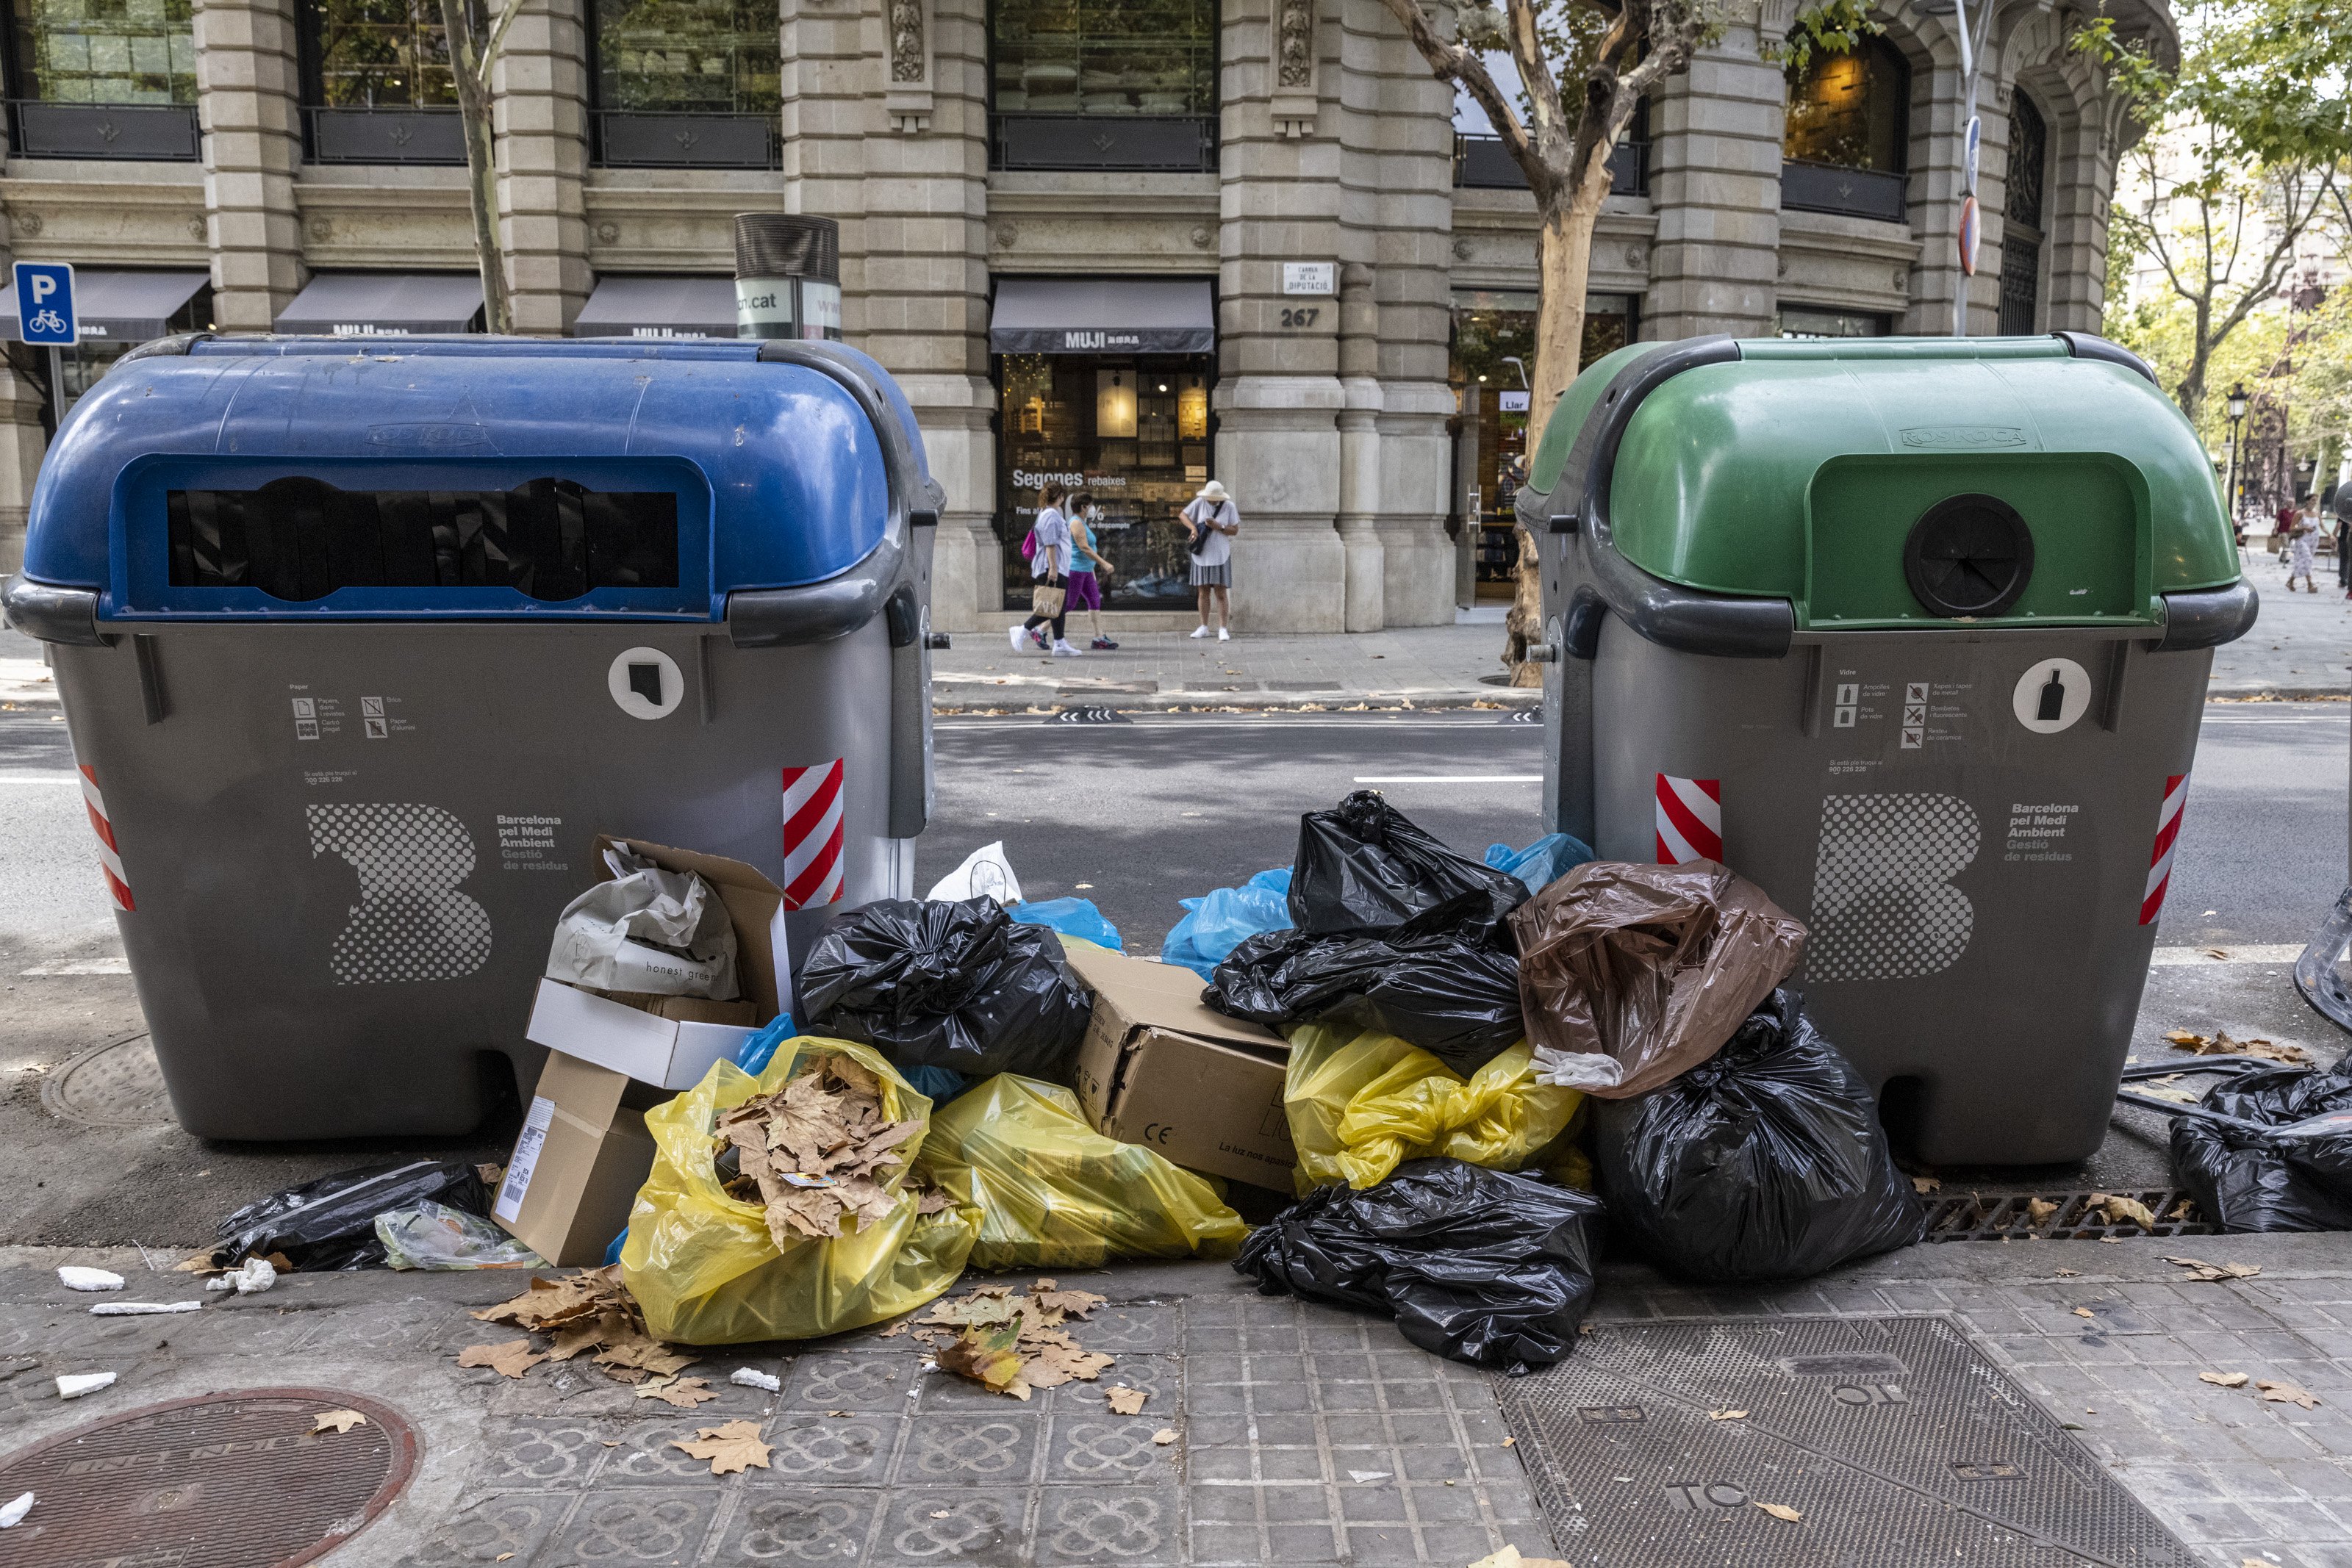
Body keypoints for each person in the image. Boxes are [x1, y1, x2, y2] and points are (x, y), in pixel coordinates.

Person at [1011, 483, 1078, 655]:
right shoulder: (1051, 516)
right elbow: (1050, 544)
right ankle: (1023, 629)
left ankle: (1060, 643)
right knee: (1050, 606)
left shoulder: (1049, 514)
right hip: (1051, 567)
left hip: (1057, 566)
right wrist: (1053, 569)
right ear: (1061, 496)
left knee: (1057, 606)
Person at [1182, 479, 1241, 641]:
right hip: (1202, 554)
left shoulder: (1229, 507)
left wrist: (1219, 527)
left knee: (1221, 592)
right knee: (1203, 591)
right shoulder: (1199, 503)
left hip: (1221, 554)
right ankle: (1204, 626)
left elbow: (1235, 530)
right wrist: (1193, 527)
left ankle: (1223, 628)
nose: (1211, 500)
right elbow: (1183, 515)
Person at [1064, 492, 1118, 650]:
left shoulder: (1082, 522)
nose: (1093, 509)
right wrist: (1103, 563)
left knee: (1095, 601)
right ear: (1083, 507)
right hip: (1076, 569)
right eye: (1090, 505)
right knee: (1069, 604)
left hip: (1086, 570)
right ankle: (1040, 629)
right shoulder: (1076, 523)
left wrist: (1092, 569)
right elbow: (1084, 547)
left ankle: (1099, 638)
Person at [2284, 497, 2320, 594]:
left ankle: (2291, 581)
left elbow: (2322, 526)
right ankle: (2310, 584)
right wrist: (2304, 527)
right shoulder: (2300, 513)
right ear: (2307, 501)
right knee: (2308, 559)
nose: (2314, 503)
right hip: (2302, 540)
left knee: (2304, 562)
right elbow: (2291, 528)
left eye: (2315, 501)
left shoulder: (2317, 513)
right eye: (2312, 500)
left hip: (2313, 542)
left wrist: (2331, 535)